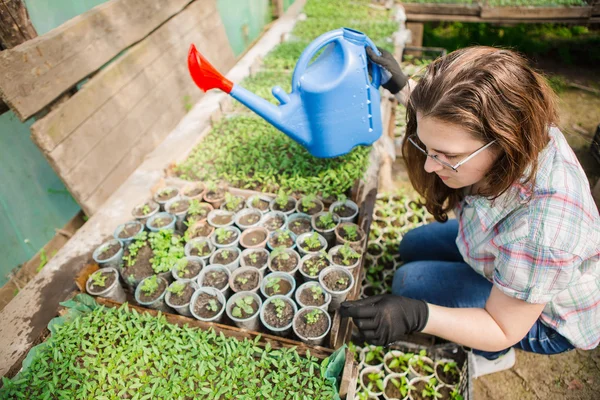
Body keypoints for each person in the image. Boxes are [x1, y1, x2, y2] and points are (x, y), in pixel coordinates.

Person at [340, 46, 600, 378]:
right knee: (411, 245)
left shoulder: (544, 228)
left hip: (542, 318)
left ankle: (494, 358)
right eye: (427, 148)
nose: (431, 166)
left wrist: (416, 315)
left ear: (504, 140)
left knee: (409, 282)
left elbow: (502, 326)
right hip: (499, 244)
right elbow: (454, 125)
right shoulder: (516, 126)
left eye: (447, 156)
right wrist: (404, 86)